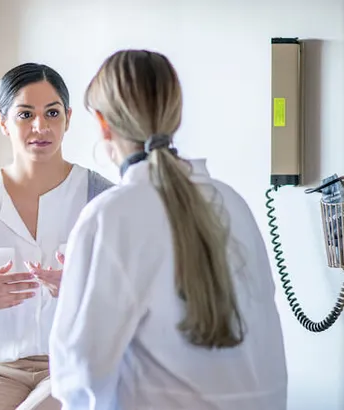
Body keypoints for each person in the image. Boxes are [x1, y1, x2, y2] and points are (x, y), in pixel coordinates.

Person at [49, 49, 288, 410]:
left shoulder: (111, 215)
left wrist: (82, 286)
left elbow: (79, 376)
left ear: (102, 123)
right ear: (174, 115)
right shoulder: (232, 202)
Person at [0, 62, 113, 410]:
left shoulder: (102, 199)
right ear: (2, 121)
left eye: (52, 113)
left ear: (68, 118)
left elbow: (130, 303)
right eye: (25, 114)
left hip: (71, 365)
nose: (40, 126)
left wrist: (81, 291)